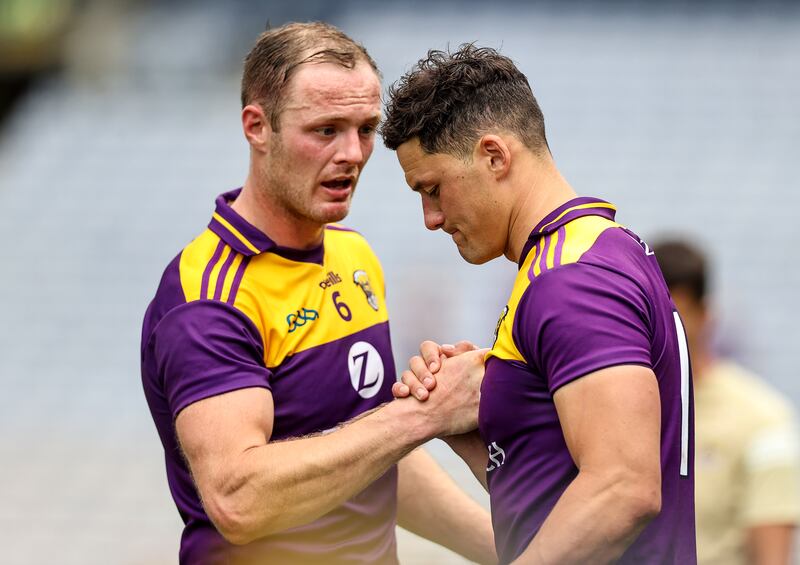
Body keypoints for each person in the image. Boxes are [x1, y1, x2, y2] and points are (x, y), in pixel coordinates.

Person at [140, 23, 496, 565]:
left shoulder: (353, 256)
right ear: (258, 127)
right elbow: (240, 500)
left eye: (366, 128)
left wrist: (512, 551)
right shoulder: (209, 299)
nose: (353, 153)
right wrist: (422, 417)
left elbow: (370, 458)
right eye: (326, 130)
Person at [381, 45, 696, 564]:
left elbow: (622, 489)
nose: (430, 218)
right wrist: (478, 426)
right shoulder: (598, 246)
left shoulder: (571, 280)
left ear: (495, 156)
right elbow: (554, 490)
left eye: (433, 189)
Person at [652, 239, 800, 565]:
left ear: (706, 315)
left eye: (676, 316)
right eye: (647, 315)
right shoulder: (616, 411)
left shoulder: (762, 418)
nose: (660, 331)